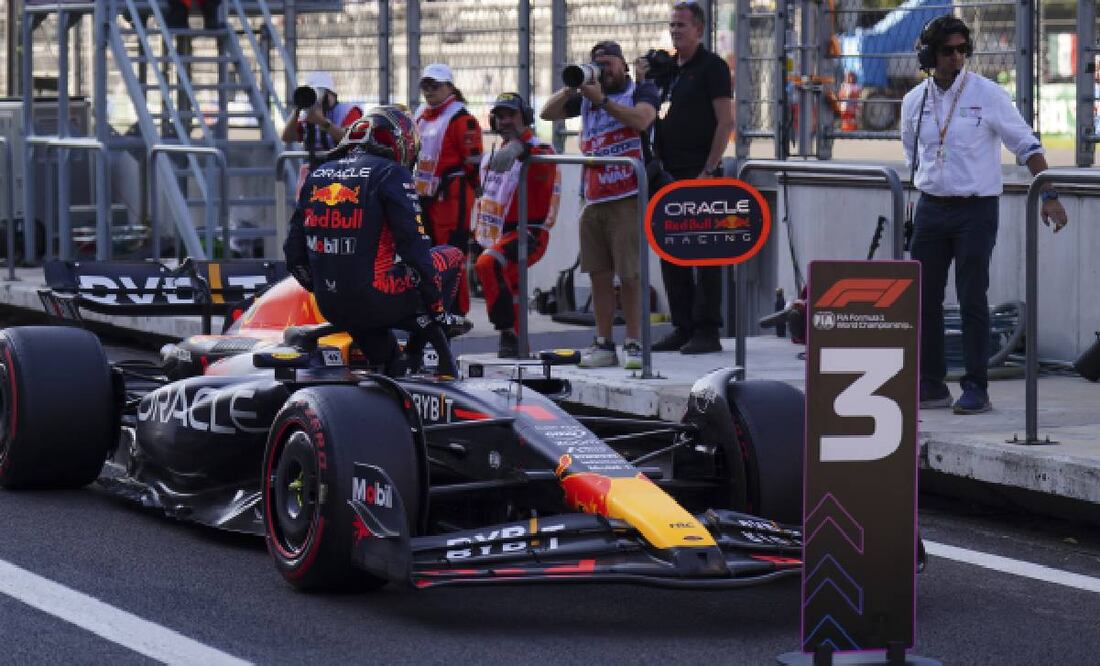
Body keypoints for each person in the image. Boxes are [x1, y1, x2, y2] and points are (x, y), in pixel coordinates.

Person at [901, 15, 1068, 414]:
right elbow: (913, 155)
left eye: (963, 49)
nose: (957, 57)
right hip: (931, 208)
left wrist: (1050, 194)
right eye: (948, 51)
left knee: (972, 296)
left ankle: (977, 387)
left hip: (976, 208)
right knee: (924, 298)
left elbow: (1026, 145)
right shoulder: (913, 101)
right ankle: (931, 383)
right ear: (929, 55)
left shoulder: (987, 94)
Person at [284, 107, 467, 377]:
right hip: (376, 296)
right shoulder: (392, 173)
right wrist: (437, 312)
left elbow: (293, 253)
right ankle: (417, 353)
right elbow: (415, 251)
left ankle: (397, 367)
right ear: (402, 143)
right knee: (452, 256)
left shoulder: (317, 173)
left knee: (389, 365)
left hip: (331, 304)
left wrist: (324, 286)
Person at [540, 41, 660, 369]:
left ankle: (634, 342)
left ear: (623, 65)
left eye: (609, 64)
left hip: (627, 195)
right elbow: (546, 113)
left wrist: (603, 101)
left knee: (631, 275)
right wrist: (571, 88)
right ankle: (604, 342)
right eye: (598, 64)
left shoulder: (641, 91)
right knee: (598, 274)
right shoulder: (586, 98)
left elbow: (642, 121)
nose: (604, 70)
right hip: (593, 197)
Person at [651, 0, 734, 355]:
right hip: (666, 174)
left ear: (699, 29)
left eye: (681, 26)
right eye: (672, 25)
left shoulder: (711, 67)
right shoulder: (669, 70)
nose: (675, 31)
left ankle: (707, 329)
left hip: (698, 171)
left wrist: (709, 169)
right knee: (671, 251)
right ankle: (682, 325)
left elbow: (725, 121)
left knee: (706, 253)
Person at [473, 93, 560, 358]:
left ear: (526, 118)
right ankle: (517, 347)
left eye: (511, 115)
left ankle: (508, 335)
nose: (505, 121)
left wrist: (519, 148)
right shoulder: (493, 156)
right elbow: (485, 200)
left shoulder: (540, 150)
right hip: (498, 234)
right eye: (500, 116)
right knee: (510, 291)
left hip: (528, 233)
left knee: (488, 264)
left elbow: (542, 157)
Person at [413, 63, 484, 315]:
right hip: (423, 197)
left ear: (450, 87)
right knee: (425, 253)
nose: (429, 91)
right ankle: (431, 305)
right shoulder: (420, 114)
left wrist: (476, 190)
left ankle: (455, 311)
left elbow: (474, 164)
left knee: (451, 253)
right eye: (425, 85)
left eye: (435, 85)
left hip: (452, 198)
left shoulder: (462, 119)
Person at [280, 71, 362, 157]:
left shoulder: (348, 111)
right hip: (314, 166)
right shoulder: (307, 115)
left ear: (332, 93)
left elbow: (350, 139)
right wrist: (297, 110)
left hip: (343, 165)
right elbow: (287, 137)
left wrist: (323, 122)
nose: (318, 99)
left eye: (321, 92)